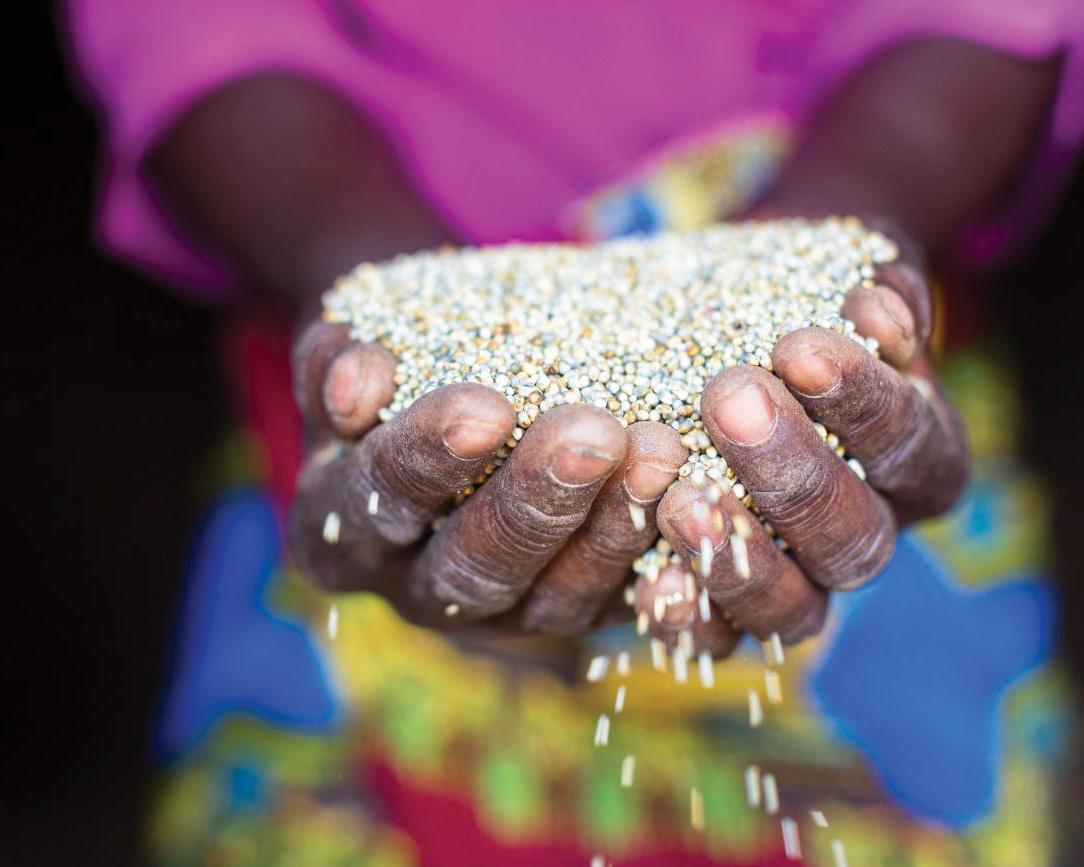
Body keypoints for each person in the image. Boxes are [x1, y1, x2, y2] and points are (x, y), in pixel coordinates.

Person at [66, 2, 1083, 865]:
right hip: (335, 278)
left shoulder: (839, 322)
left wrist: (851, 214)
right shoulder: (375, 343)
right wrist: (367, 274)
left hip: (871, 291)